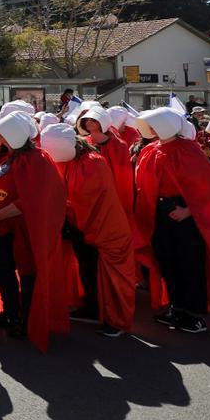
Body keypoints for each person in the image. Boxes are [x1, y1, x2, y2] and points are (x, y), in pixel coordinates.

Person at [0, 111, 68, 351]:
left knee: (28, 272)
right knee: (4, 271)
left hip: (22, 228)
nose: (0, 137)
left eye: (6, 134)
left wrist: (0, 213)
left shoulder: (37, 159)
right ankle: (10, 312)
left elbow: (34, 198)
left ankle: (26, 319)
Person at [134, 107, 210, 333]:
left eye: (155, 124)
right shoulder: (151, 149)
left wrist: (188, 211)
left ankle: (193, 315)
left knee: (188, 263)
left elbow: (209, 187)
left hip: (183, 212)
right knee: (166, 260)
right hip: (160, 211)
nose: (151, 129)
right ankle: (177, 308)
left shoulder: (187, 150)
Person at [42, 123, 135, 338]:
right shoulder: (69, 161)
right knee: (87, 268)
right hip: (82, 225)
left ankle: (116, 319)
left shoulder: (93, 163)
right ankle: (93, 307)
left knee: (112, 276)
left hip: (103, 226)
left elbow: (88, 199)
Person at [75, 105, 135, 222]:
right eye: (87, 120)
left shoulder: (119, 145)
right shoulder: (83, 143)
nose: (88, 122)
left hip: (112, 193)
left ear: (102, 122)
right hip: (91, 192)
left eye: (93, 120)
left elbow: (124, 176)